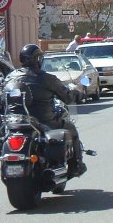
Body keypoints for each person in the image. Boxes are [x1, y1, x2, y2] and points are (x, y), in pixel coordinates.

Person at [8, 43, 85, 173]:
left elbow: (0, 95)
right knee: (70, 128)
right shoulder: (46, 78)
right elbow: (66, 96)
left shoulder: (11, 77)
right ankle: (76, 165)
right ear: (38, 59)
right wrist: (78, 93)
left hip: (15, 123)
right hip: (44, 121)